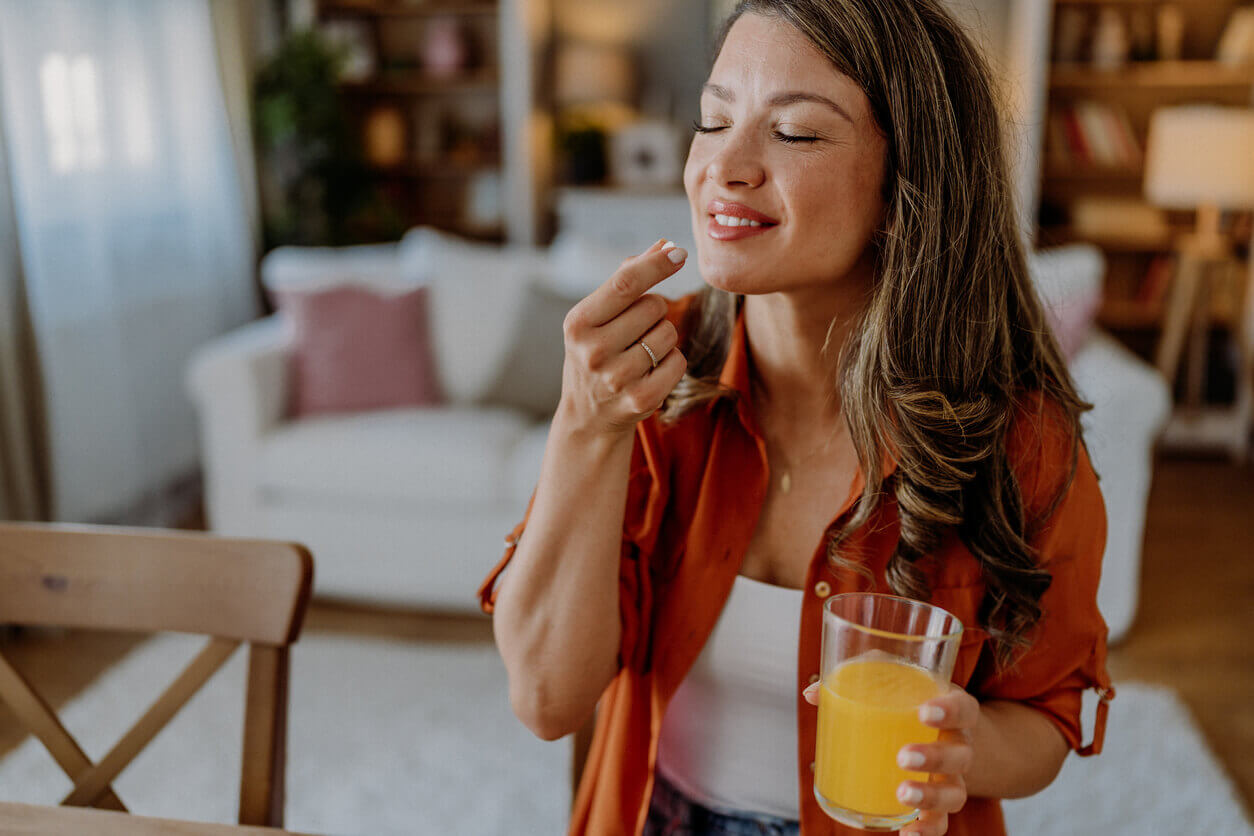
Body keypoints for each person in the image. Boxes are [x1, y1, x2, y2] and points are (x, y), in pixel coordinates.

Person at [479, 1, 1114, 834]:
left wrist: (972, 749)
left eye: (797, 133)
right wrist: (583, 424)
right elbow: (546, 698)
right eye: (713, 121)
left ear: (905, 186)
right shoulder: (644, 383)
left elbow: (1044, 718)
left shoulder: (1021, 444)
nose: (725, 166)